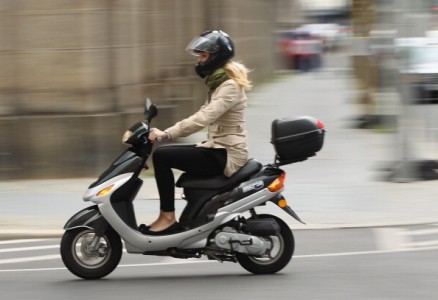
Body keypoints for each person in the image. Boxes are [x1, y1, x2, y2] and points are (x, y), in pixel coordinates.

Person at [142, 30, 252, 235]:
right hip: (218, 148)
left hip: (227, 154)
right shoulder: (219, 84)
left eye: (203, 56)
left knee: (162, 156)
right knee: (168, 156)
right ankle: (180, 218)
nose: (199, 61)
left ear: (216, 56)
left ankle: (167, 217)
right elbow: (202, 113)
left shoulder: (230, 86)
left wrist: (167, 134)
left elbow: (204, 118)